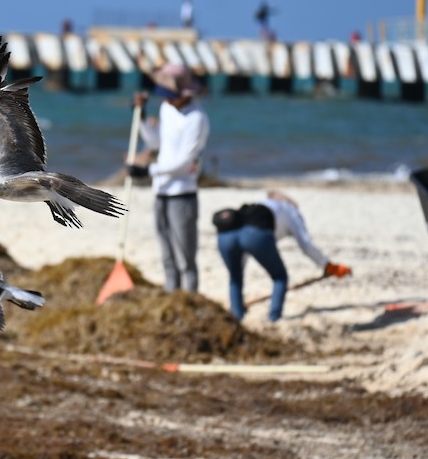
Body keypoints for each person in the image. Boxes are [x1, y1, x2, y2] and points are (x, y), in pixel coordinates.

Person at [214, 191, 353, 321]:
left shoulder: (256, 208)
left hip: (224, 237)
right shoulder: (290, 210)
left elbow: (241, 244)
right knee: (280, 277)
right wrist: (328, 266)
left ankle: (236, 316)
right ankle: (274, 319)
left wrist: (237, 267)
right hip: (256, 235)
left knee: (235, 278)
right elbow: (306, 244)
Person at [136, 63, 210, 293]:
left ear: (184, 94)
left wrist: (148, 171)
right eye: (164, 95)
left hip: (183, 194)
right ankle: (171, 296)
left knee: (185, 258)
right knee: (167, 254)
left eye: (171, 96)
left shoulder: (196, 119)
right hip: (161, 191)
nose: (167, 100)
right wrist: (140, 116)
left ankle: (189, 298)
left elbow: (185, 163)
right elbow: (156, 142)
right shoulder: (167, 109)